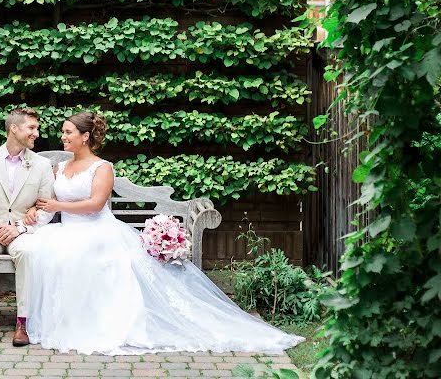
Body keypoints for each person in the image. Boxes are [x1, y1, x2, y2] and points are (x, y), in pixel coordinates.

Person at [24, 110, 305, 355]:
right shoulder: (59, 167)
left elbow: (96, 205)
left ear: (85, 136)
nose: (63, 136)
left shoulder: (102, 167)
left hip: (97, 230)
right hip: (66, 230)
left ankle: (97, 323)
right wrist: (34, 215)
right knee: (44, 251)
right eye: (63, 132)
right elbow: (46, 202)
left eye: (68, 132)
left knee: (81, 256)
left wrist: (58, 205)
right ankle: (67, 320)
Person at [0, 108, 55, 347]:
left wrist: (19, 228)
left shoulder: (42, 165)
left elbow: (47, 208)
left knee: (27, 252)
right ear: (14, 129)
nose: (36, 133)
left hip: (23, 230)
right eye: (32, 128)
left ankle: (22, 322)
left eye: (37, 129)